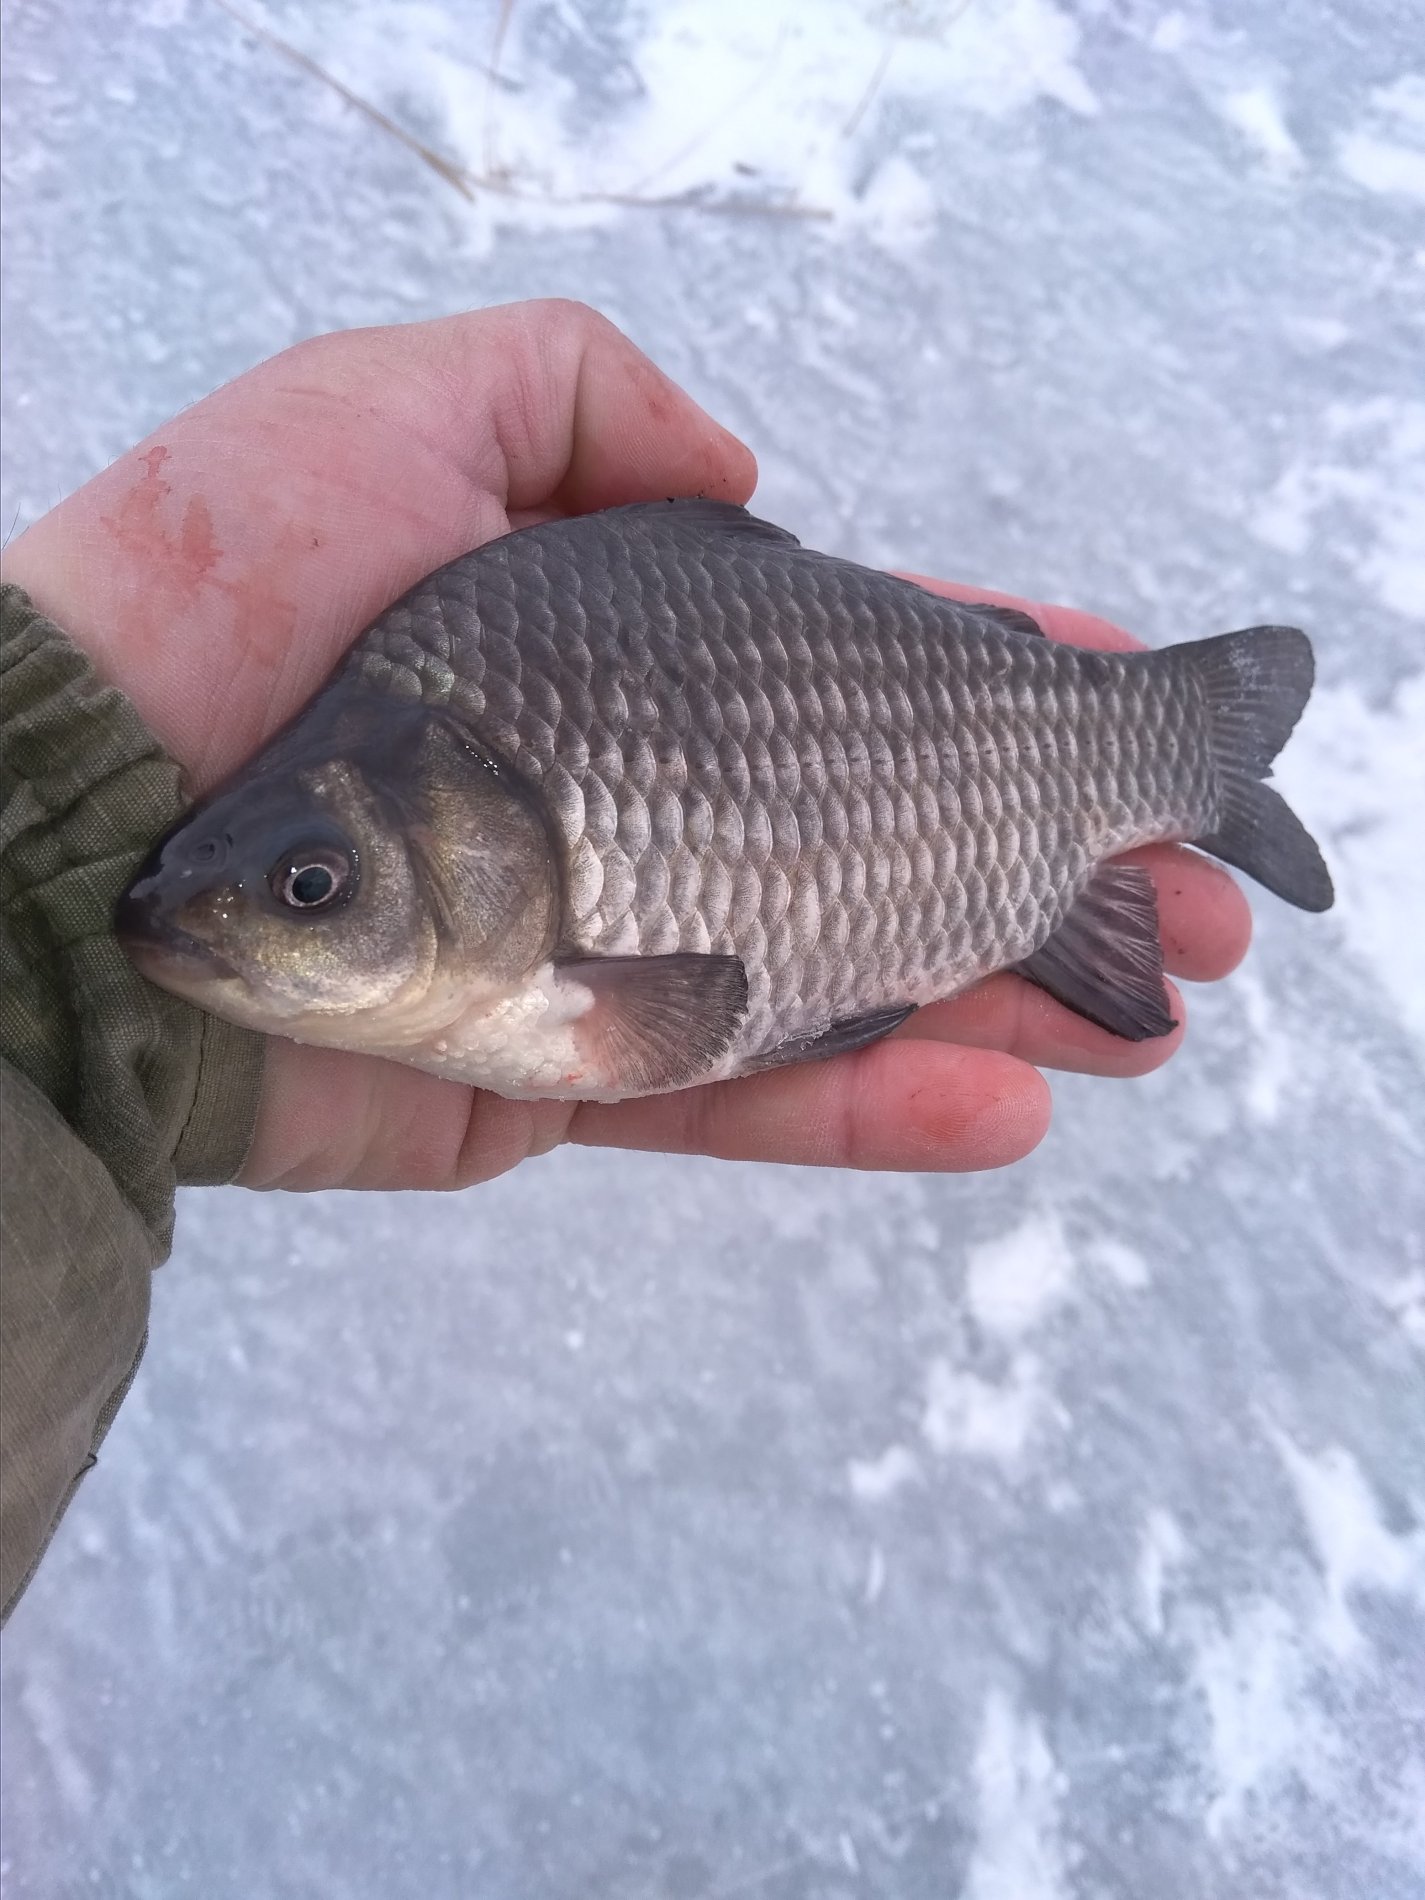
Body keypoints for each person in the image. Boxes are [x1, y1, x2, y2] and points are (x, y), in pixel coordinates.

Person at [0, 299, 1250, 1618]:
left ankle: (1185, 758)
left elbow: (687, 1008)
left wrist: (32, 918)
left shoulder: (464, 709)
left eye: (313, 886)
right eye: (312, 886)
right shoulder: (417, 704)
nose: (256, 916)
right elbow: (687, 1009)